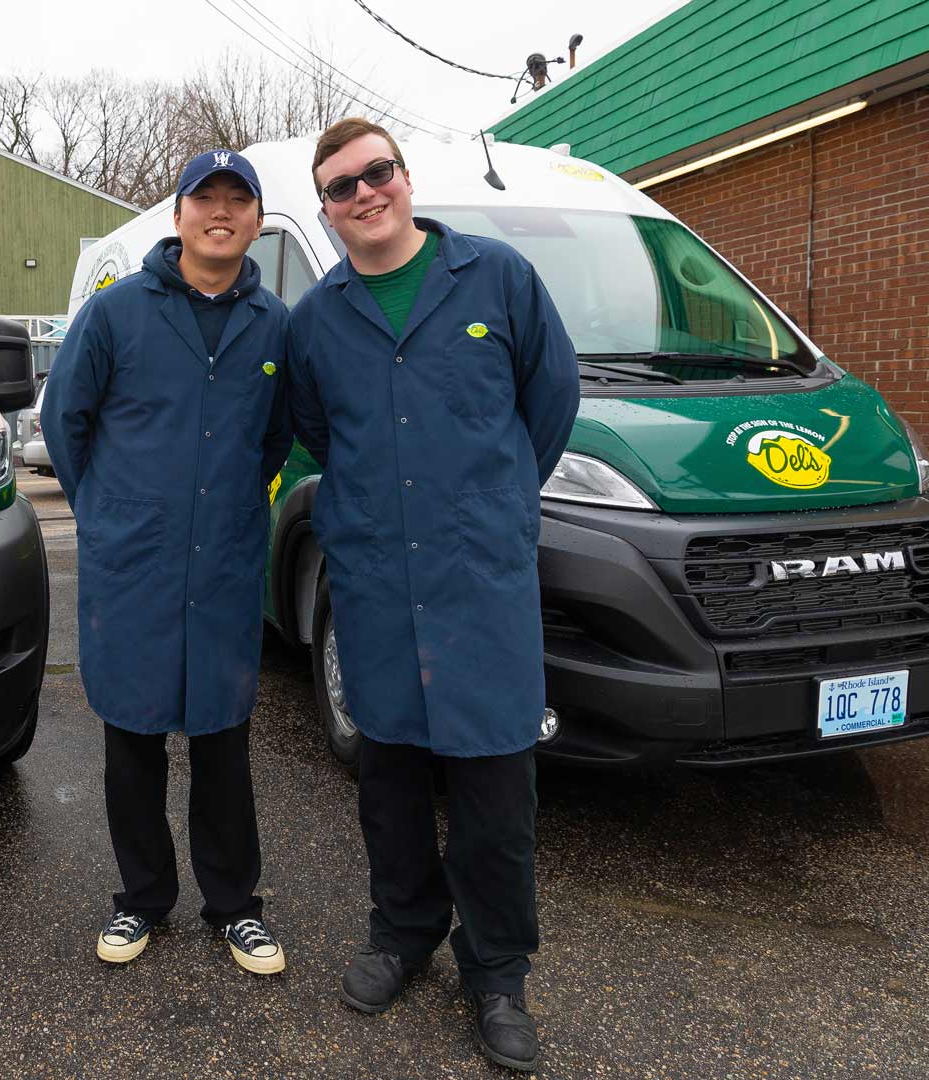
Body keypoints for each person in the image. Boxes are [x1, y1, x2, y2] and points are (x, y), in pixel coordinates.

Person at [287, 118, 579, 1072]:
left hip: (478, 582)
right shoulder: (317, 320)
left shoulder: (495, 278)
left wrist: (490, 501)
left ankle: (497, 974)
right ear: (326, 211)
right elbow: (320, 434)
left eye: (378, 173)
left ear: (406, 180)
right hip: (376, 582)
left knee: (498, 791)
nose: (364, 193)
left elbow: (552, 400)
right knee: (391, 780)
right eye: (341, 186)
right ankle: (402, 936)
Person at [41, 148, 293, 975]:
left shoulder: (274, 326)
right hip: (134, 568)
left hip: (222, 566)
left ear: (256, 219)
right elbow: (64, 419)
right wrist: (109, 512)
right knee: (134, 740)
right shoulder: (116, 314)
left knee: (223, 743)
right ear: (177, 215)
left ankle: (234, 907)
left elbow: (274, 439)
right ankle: (142, 899)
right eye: (204, 198)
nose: (221, 212)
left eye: (238, 200)